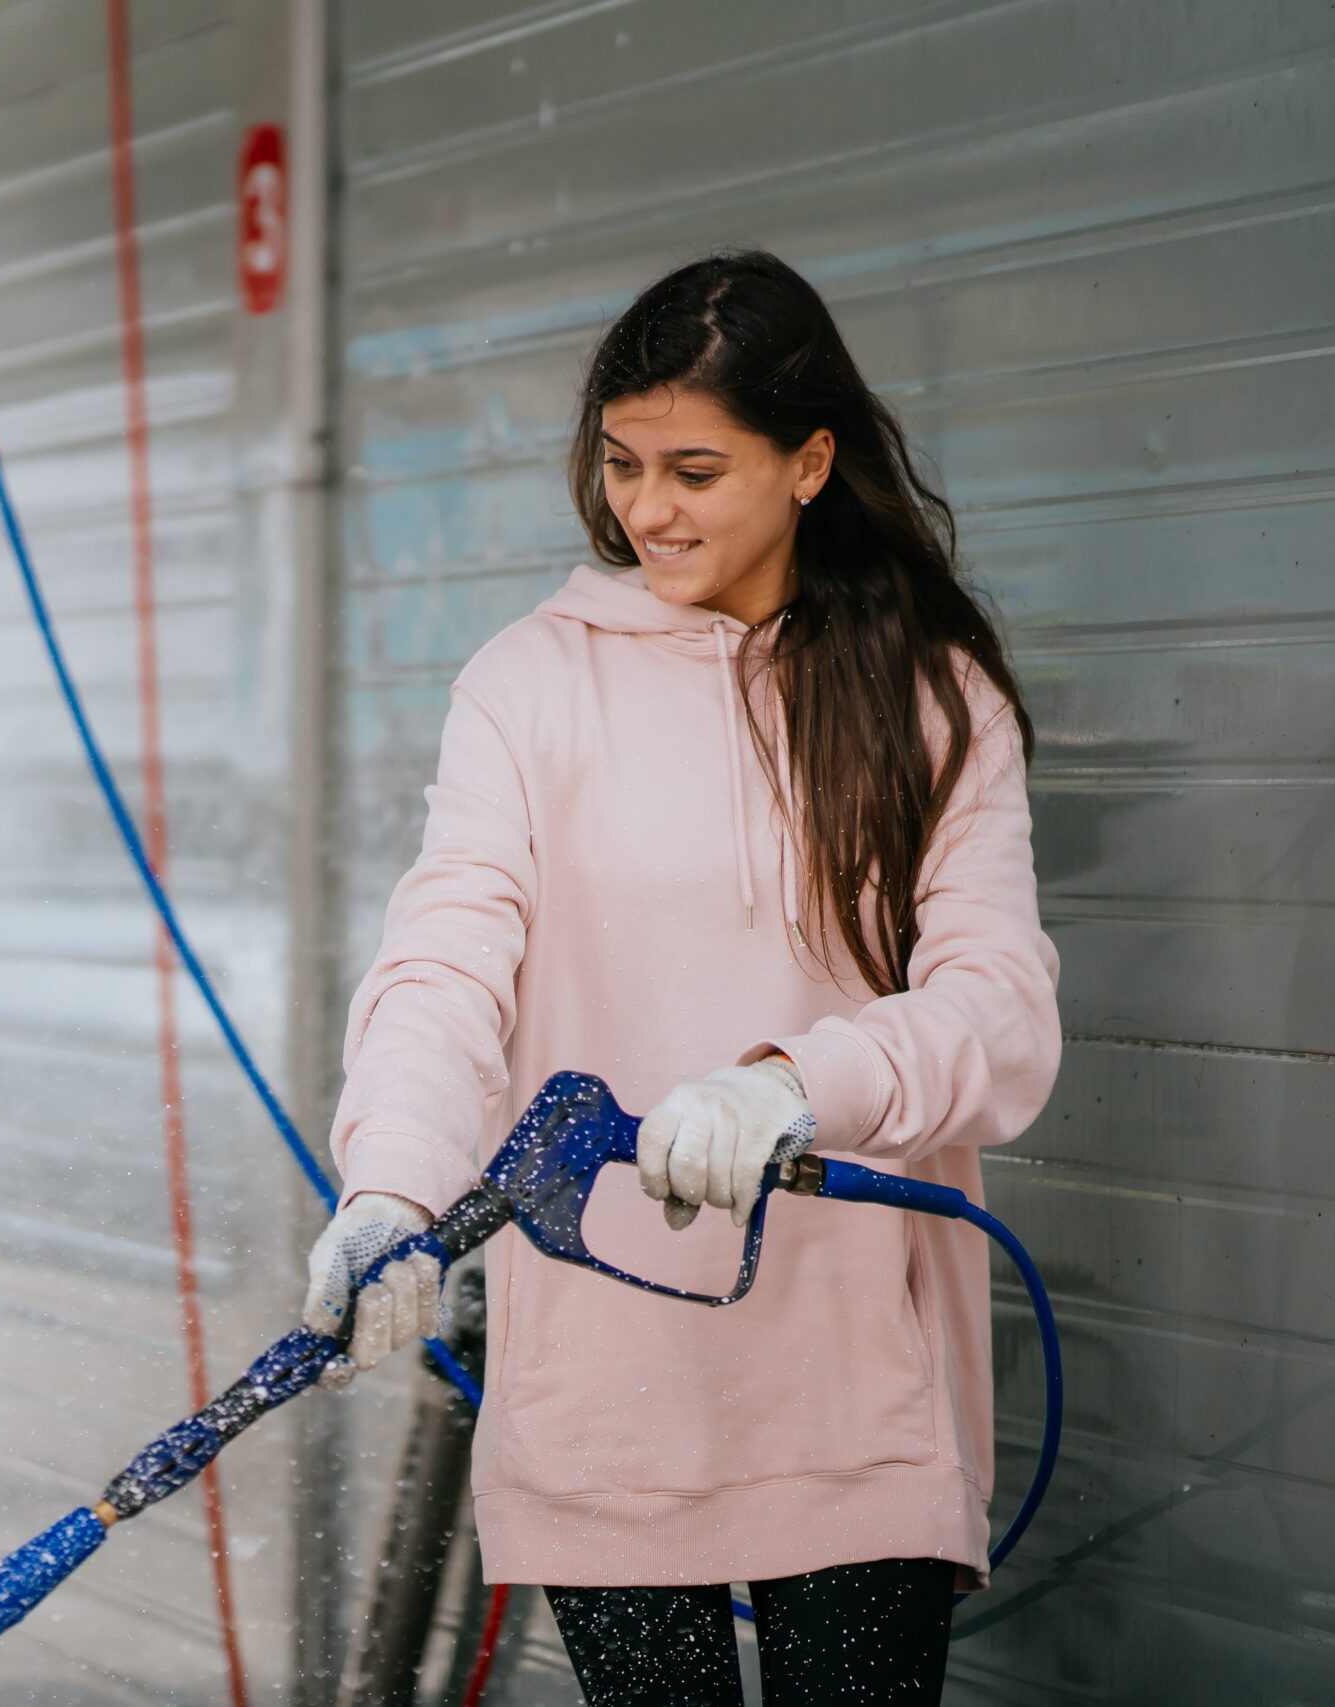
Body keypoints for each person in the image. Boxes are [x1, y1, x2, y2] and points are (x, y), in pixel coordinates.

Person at [303, 251, 1060, 1705]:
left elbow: (1003, 1012)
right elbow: (444, 961)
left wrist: (794, 1085)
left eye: (695, 470)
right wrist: (391, 1184)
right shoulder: (527, 686)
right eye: (622, 463)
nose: (647, 508)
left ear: (810, 463)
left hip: (854, 1377)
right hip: (610, 1382)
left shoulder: (931, 696)